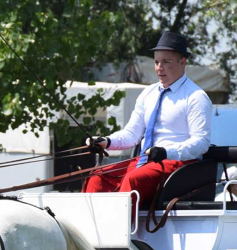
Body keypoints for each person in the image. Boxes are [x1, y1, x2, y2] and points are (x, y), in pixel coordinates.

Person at [83, 31, 212, 207]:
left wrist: (167, 152)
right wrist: (106, 141)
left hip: (177, 164)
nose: (160, 68)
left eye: (166, 62)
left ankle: (122, 233)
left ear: (183, 62)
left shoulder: (196, 96)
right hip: (147, 161)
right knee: (98, 177)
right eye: (157, 62)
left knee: (133, 180)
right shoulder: (148, 93)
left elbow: (201, 142)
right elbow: (131, 134)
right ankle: (91, 233)